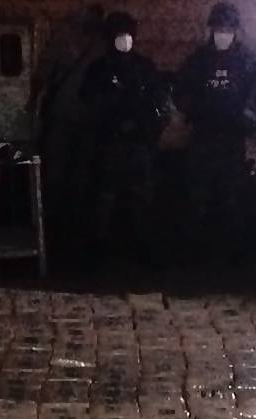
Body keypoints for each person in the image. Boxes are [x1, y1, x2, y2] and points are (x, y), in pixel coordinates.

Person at [175, 1, 256, 263]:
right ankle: (197, 252)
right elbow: (182, 91)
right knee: (198, 195)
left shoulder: (246, 60)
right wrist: (197, 110)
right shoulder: (198, 60)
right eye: (219, 29)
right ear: (211, 30)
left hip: (231, 138)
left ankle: (231, 253)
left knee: (231, 195)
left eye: (228, 29)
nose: (223, 34)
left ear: (235, 31)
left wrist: (246, 115)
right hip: (204, 135)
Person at [80, 11, 167, 263]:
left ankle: (142, 246)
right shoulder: (99, 69)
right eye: (119, 33)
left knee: (141, 196)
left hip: (138, 142)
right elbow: (88, 100)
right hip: (109, 141)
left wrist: (144, 125)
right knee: (104, 197)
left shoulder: (144, 66)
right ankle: (98, 248)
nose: (124, 38)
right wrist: (113, 117)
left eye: (127, 33)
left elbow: (157, 100)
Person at [28, 5, 107, 256]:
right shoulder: (73, 42)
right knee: (62, 175)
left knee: (74, 175)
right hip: (68, 119)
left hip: (81, 120)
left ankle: (66, 230)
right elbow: (43, 75)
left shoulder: (93, 44)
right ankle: (58, 229)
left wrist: (34, 100)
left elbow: (42, 75)